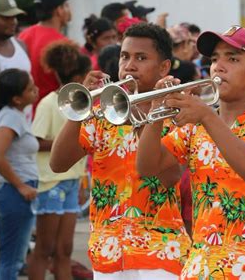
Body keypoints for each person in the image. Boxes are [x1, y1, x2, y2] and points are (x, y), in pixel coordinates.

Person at [137, 25, 245, 279]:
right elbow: (146, 167)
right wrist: (156, 113)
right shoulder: (195, 123)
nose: (218, 67)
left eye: (232, 58)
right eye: (214, 59)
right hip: (201, 267)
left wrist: (207, 116)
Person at [50, 23, 190, 279]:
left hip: (160, 251)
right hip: (109, 251)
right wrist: (80, 107)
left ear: (164, 68)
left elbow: (170, 178)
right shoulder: (102, 116)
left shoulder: (177, 115)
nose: (130, 65)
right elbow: (58, 163)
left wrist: (146, 115)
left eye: (141, 58)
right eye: (125, 56)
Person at [28, 41, 91, 279]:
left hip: (72, 181)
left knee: (65, 249)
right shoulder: (48, 103)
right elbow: (36, 140)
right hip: (50, 182)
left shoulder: (84, 104)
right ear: (76, 75)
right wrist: (66, 145)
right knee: (45, 248)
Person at [0, 68, 39, 280]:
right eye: (29, 89)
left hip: (6, 192)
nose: (36, 90)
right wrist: (21, 186)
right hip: (13, 194)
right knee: (12, 262)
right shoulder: (11, 118)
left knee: (9, 259)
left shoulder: (9, 114)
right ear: (17, 99)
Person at [19, 0, 74, 111]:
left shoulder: (22, 36)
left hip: (27, 114)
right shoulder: (64, 44)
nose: (69, 9)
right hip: (54, 114)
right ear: (59, 11)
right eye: (66, 5)